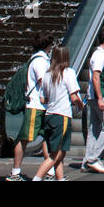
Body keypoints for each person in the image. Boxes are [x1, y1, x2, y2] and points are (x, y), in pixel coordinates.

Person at [9, 32, 54, 181]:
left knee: (47, 138)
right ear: (47, 46)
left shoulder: (39, 60)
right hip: (36, 105)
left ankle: (51, 171)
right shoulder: (40, 61)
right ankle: (15, 173)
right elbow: (43, 81)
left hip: (42, 105)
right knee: (24, 138)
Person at [34, 45, 82, 181]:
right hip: (62, 115)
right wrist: (81, 105)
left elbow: (43, 98)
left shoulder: (47, 75)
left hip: (49, 116)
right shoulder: (68, 72)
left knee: (58, 151)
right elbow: (74, 97)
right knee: (57, 154)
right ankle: (37, 178)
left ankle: (60, 179)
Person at [81, 28, 104, 173]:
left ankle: (86, 162)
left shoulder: (98, 55)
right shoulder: (100, 56)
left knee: (94, 129)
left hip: (92, 97)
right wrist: (101, 98)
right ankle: (93, 158)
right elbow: (96, 77)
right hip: (99, 97)